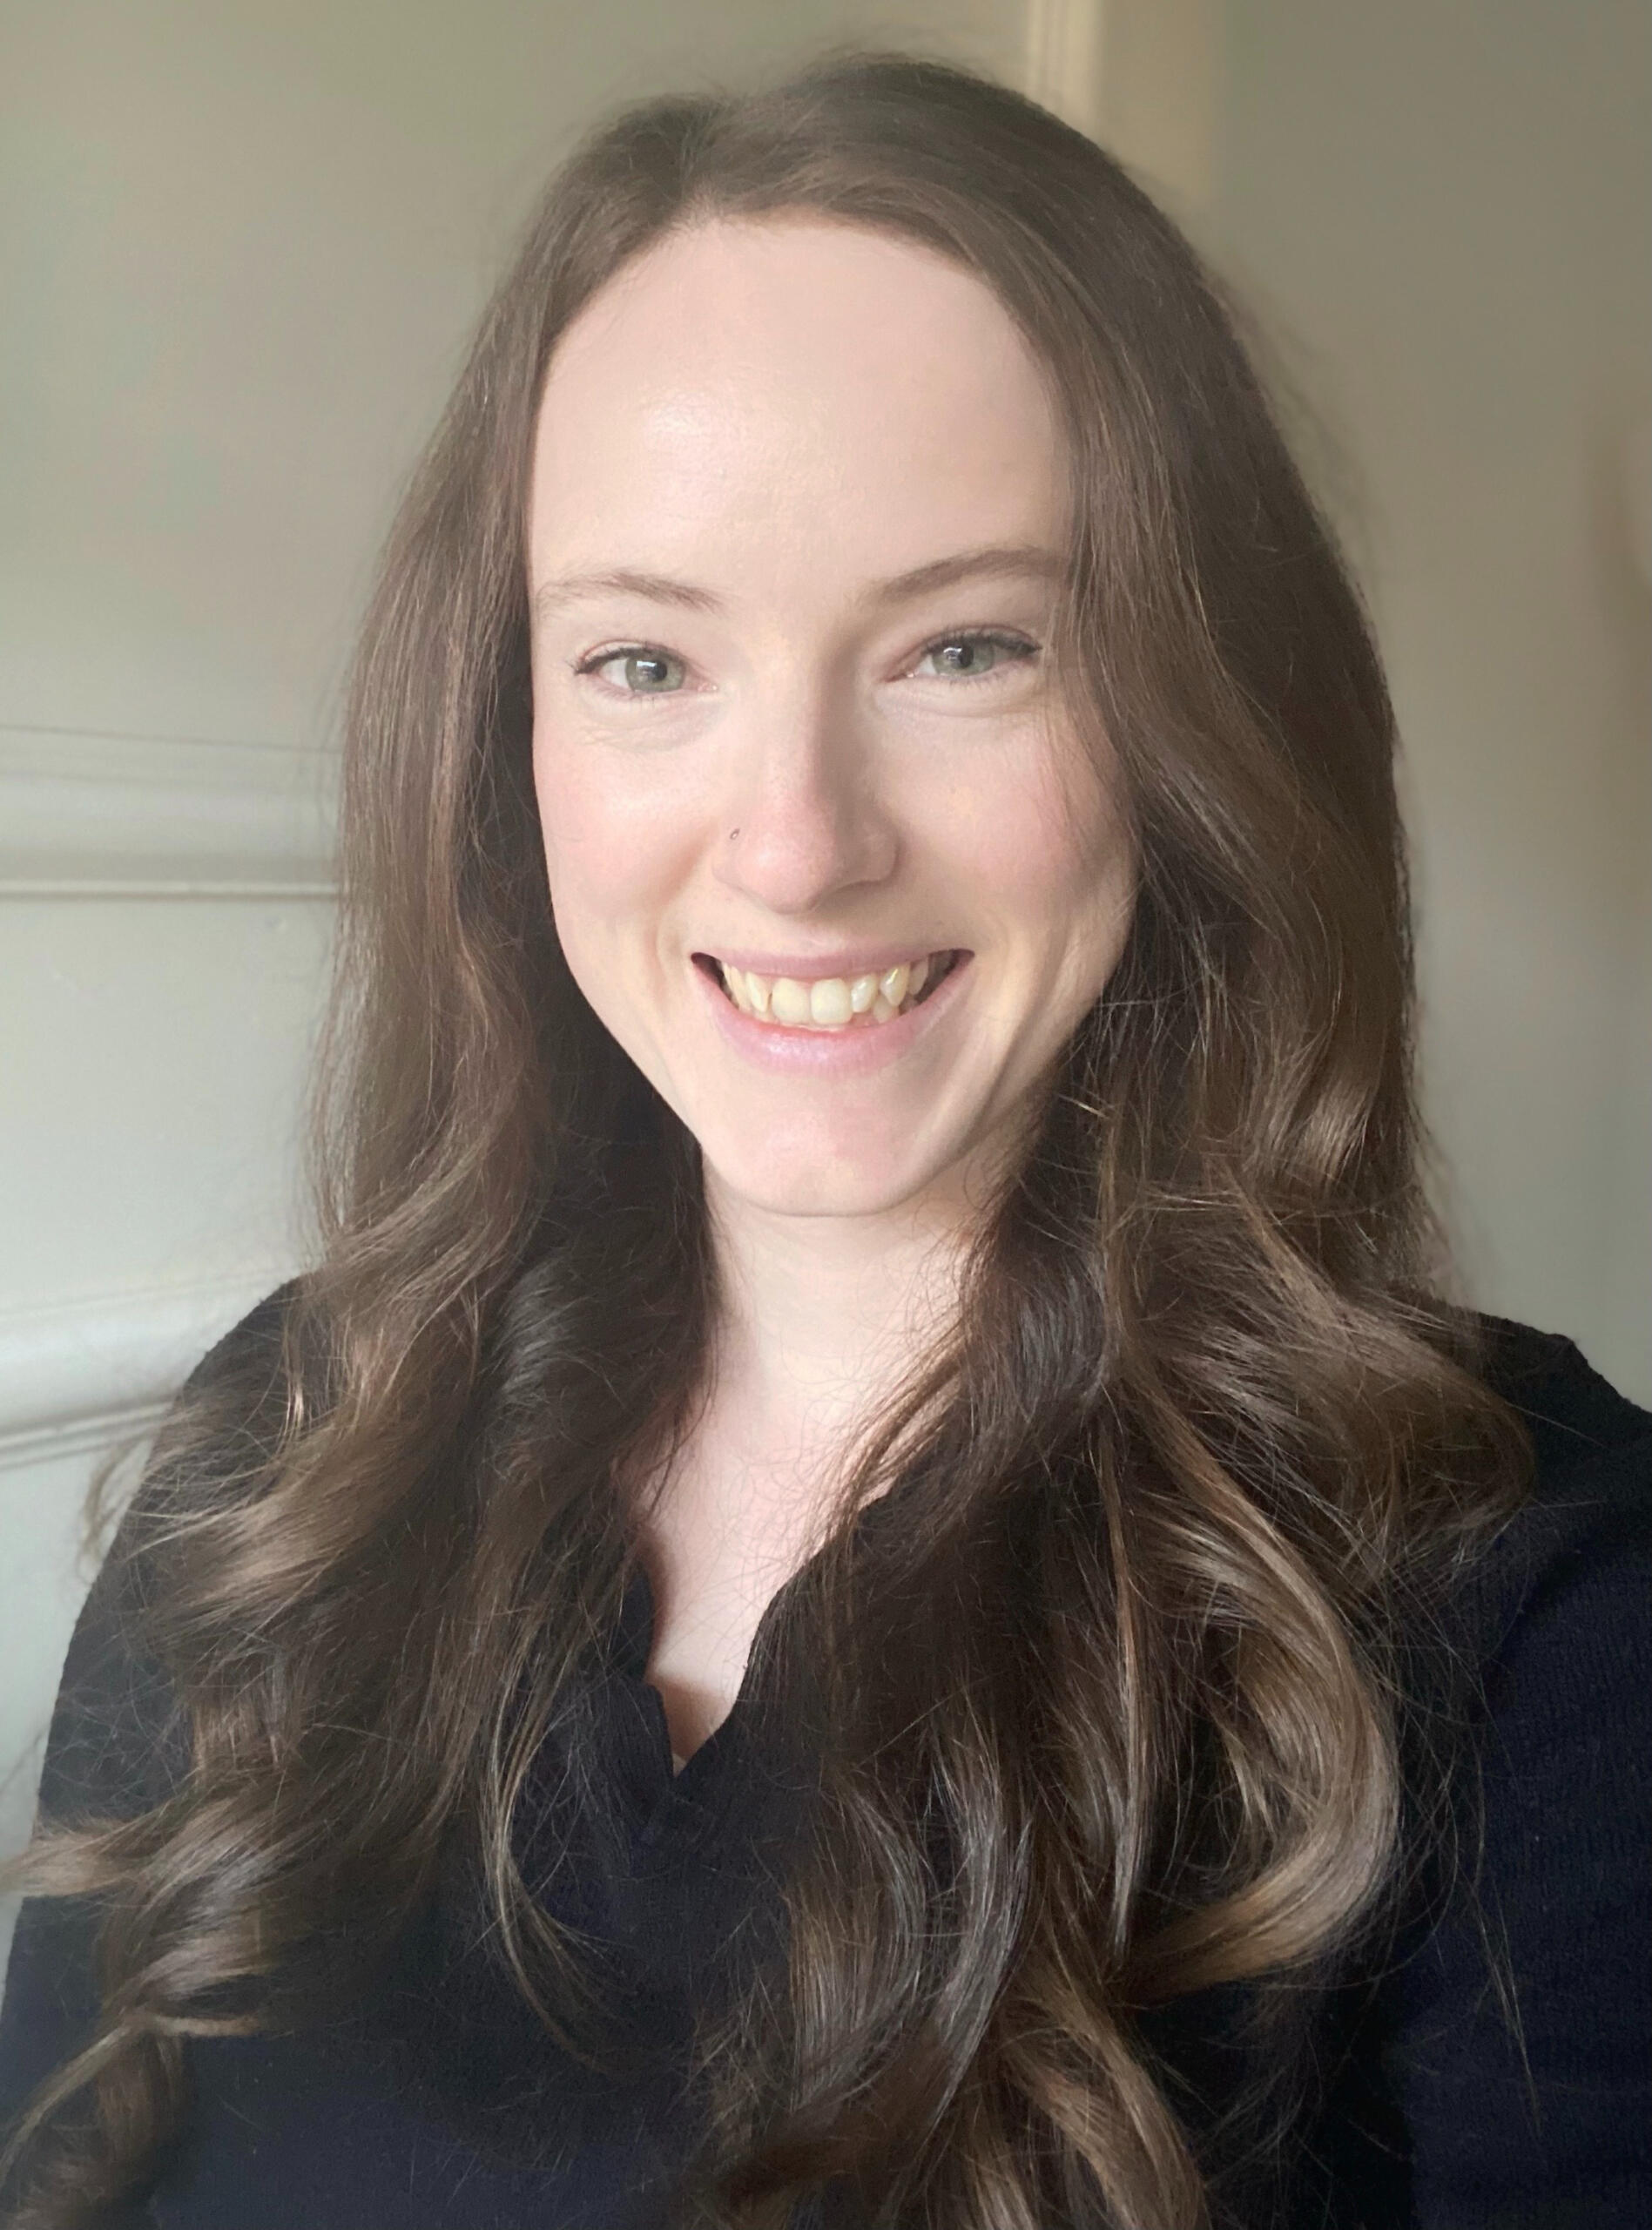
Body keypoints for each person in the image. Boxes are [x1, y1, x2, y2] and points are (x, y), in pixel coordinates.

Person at [1, 47, 1647, 2230]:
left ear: (1192, 718)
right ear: (507, 738)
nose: (793, 845)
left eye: (966, 644)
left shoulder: (1539, 1628)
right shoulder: (285, 1459)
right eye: (644, 661)